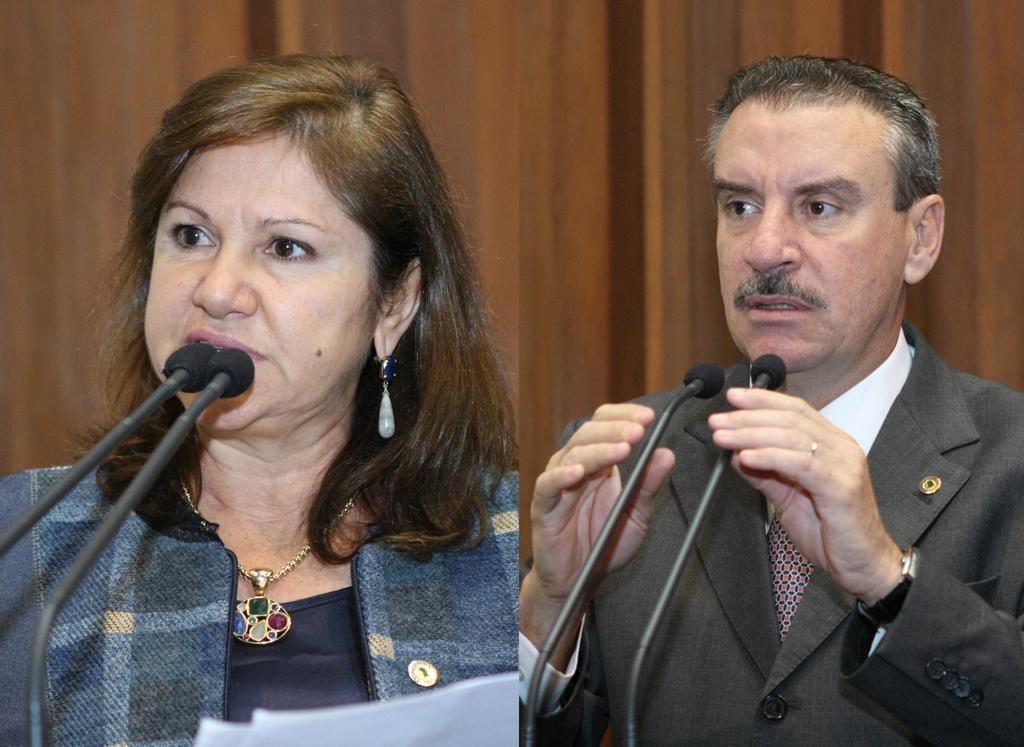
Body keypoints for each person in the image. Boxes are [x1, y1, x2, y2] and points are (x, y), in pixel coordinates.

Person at [0, 54, 518, 744]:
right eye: (191, 234)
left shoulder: (515, 550)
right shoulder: (28, 547)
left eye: (285, 247)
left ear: (393, 303)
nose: (217, 289)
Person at [521, 56, 1024, 745]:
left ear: (921, 236)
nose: (764, 248)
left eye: (819, 207)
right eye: (740, 206)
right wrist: (552, 604)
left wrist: (888, 578)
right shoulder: (634, 459)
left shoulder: (1012, 458)